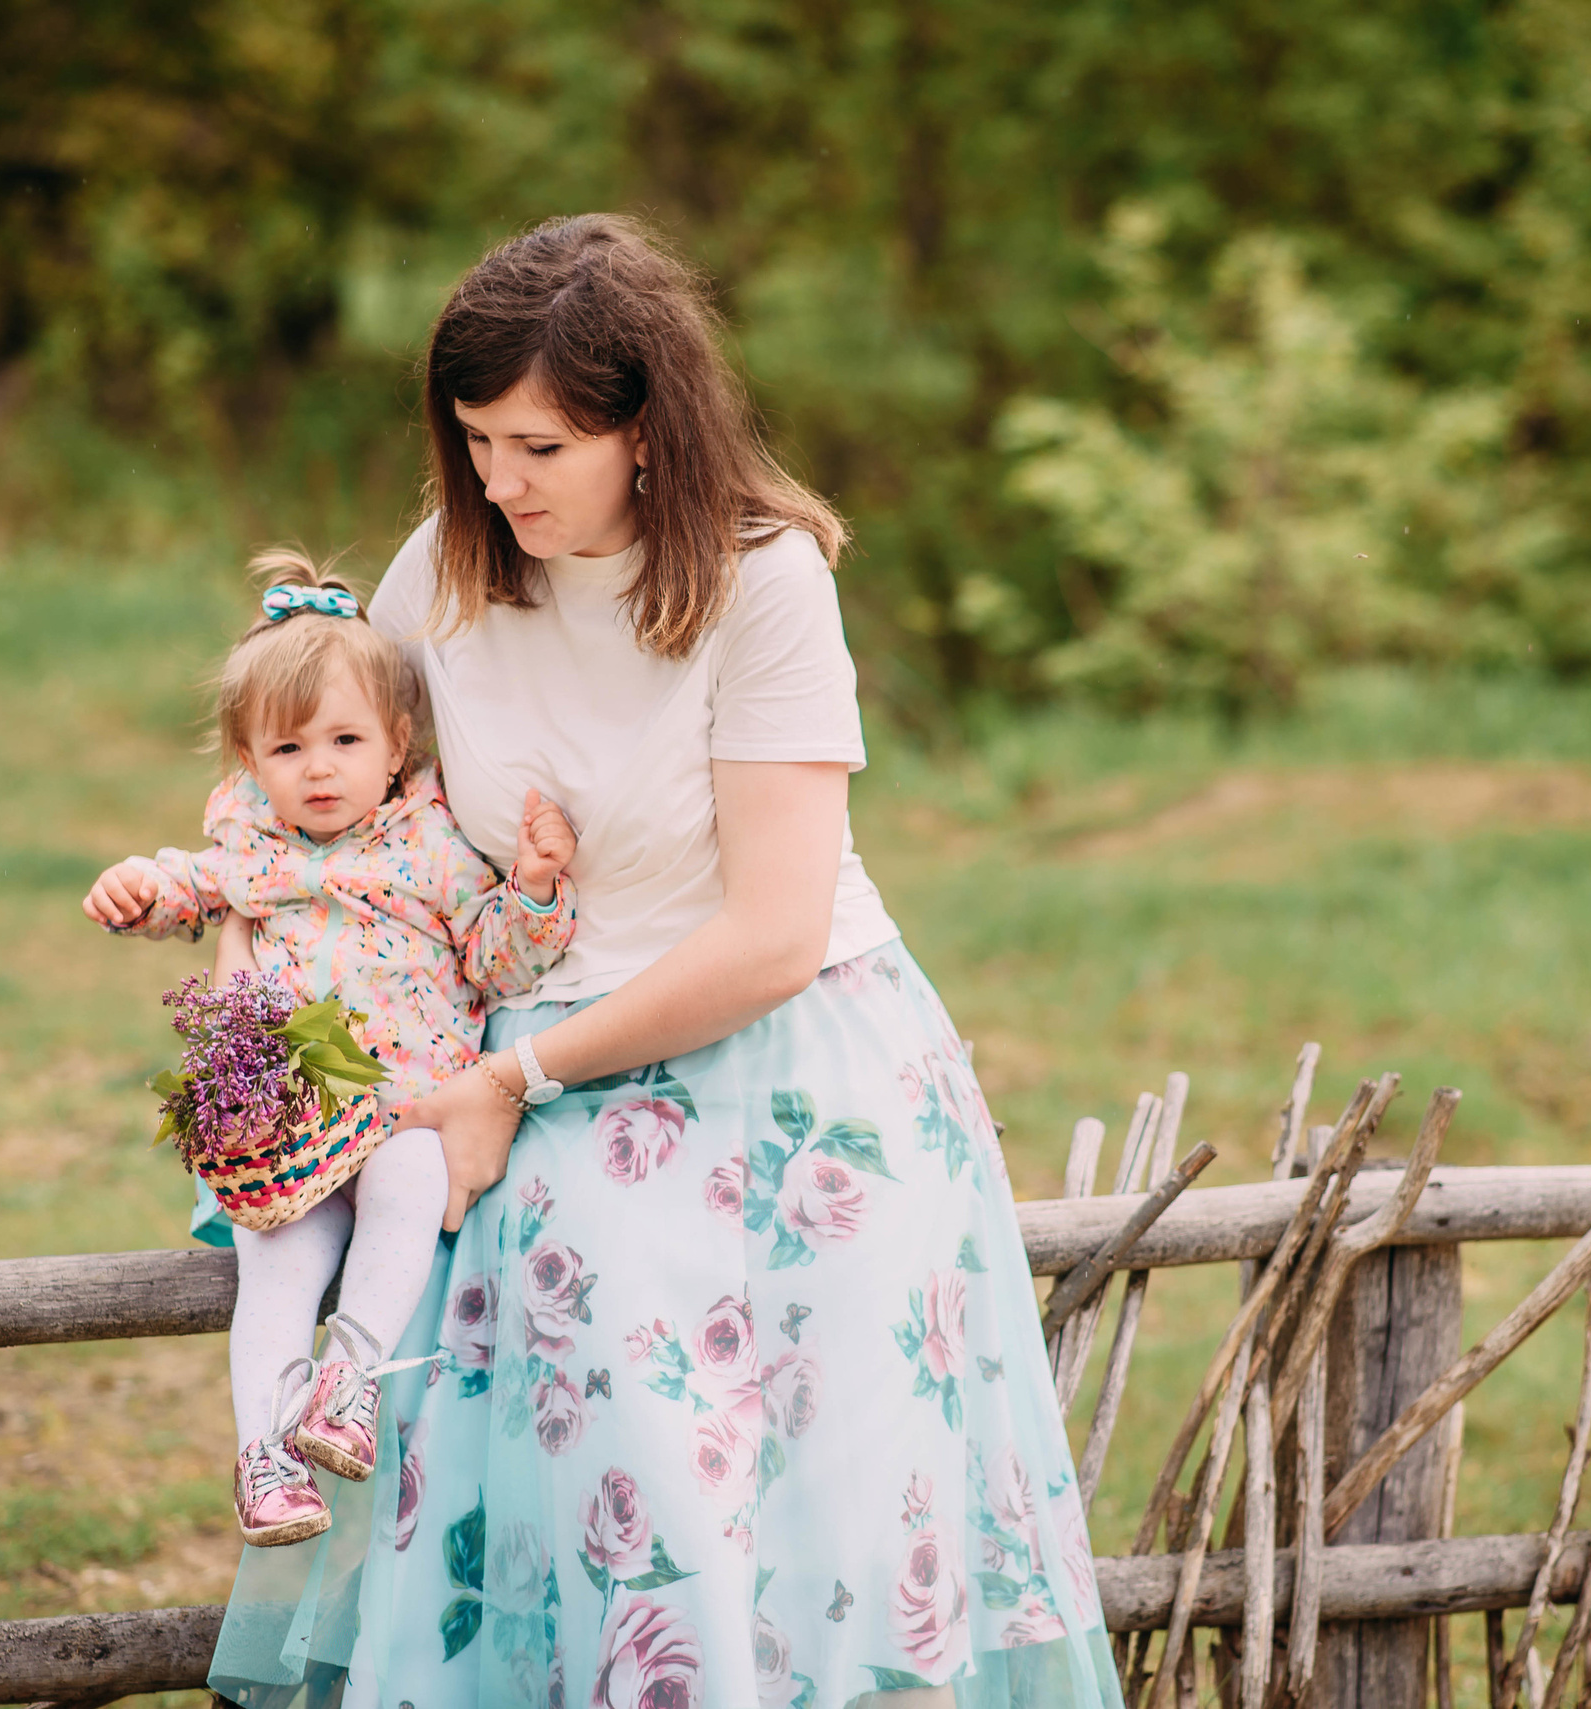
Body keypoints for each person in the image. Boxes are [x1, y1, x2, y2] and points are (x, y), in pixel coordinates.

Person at [206, 215, 1119, 1709]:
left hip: (779, 1067)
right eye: (476, 439)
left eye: (541, 445)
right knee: (591, 1516)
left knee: (762, 1549)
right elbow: (321, 807)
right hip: (521, 1075)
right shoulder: (442, 567)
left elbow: (773, 932)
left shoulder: (766, 583)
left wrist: (511, 1073)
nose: (499, 481)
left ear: (650, 431)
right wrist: (271, 1020)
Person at [83, 549, 579, 1549]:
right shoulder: (254, 842)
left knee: (408, 1179)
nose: (317, 767)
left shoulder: (433, 843)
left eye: (344, 739)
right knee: (276, 1267)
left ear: (397, 744)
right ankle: (264, 1454)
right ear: (248, 760)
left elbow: (493, 960)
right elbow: (191, 882)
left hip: (400, 1105)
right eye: (286, 746)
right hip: (289, 1125)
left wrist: (529, 891)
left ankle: (346, 1377)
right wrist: (138, 883)